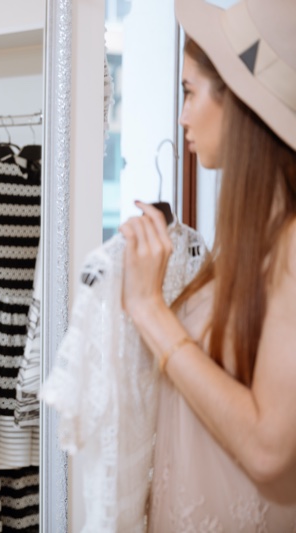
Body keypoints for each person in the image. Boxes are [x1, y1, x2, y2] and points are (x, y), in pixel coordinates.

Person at [119, 0, 296, 529]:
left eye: (190, 92)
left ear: (238, 103)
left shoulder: (289, 248)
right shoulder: (249, 244)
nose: (181, 115)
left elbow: (269, 449)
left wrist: (151, 310)